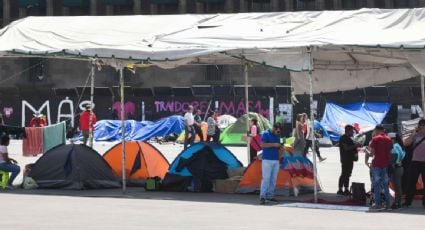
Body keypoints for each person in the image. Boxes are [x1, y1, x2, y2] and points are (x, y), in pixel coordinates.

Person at [368, 125, 393, 210]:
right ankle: (388, 204)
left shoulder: (375, 139)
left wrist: (367, 151)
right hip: (385, 165)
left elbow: (372, 153)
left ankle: (378, 204)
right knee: (386, 185)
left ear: (376, 130)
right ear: (383, 130)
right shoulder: (389, 139)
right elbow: (389, 152)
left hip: (377, 164)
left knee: (377, 185)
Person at [403, 118, 425, 208]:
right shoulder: (415, 135)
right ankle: (408, 202)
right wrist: (413, 133)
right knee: (411, 182)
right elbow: (406, 143)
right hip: (415, 161)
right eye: (420, 125)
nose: (421, 127)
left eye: (423, 125)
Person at [259, 123, 282, 205]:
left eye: (279, 131)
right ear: (273, 128)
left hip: (276, 160)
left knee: (273, 179)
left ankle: (270, 196)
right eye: (277, 131)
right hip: (267, 160)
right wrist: (273, 144)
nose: (278, 133)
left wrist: (280, 149)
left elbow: (279, 147)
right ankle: (262, 196)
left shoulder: (278, 135)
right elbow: (262, 144)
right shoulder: (265, 134)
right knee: (266, 178)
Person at [338, 125, 359, 196]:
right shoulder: (343, 138)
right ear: (348, 131)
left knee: (348, 174)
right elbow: (346, 148)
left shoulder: (350, 138)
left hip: (350, 159)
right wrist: (355, 146)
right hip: (345, 159)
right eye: (352, 131)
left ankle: (346, 189)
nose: (353, 132)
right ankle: (340, 189)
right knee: (344, 174)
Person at [387, 132, 405, 210]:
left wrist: (394, 162)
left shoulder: (394, 146)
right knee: (397, 186)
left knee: (397, 186)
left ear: (392, 139)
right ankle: (398, 202)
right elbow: (402, 155)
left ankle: (397, 203)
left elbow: (395, 157)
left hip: (396, 168)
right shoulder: (398, 145)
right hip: (399, 168)